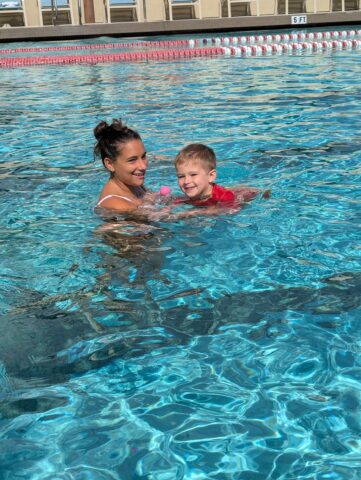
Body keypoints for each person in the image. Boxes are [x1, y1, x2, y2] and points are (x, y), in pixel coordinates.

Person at [174, 143, 260, 209]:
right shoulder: (189, 195)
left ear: (211, 176)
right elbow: (175, 203)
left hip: (250, 196)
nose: (186, 181)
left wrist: (192, 213)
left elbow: (226, 210)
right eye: (181, 176)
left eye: (193, 174)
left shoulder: (224, 196)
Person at [94, 118, 150, 212]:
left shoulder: (133, 184)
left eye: (143, 157)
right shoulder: (115, 205)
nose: (143, 166)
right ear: (110, 164)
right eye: (132, 160)